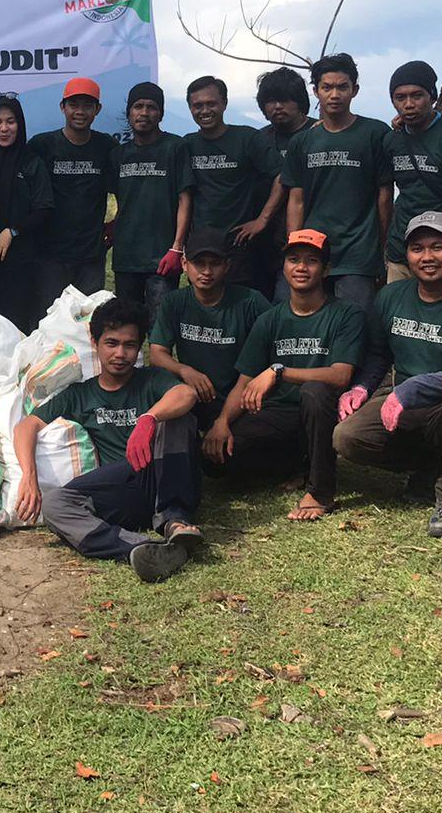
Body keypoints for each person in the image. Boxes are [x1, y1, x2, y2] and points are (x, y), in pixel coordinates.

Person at [334, 212, 442, 538]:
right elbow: (379, 355)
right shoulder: (390, 297)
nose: (427, 257)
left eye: (438, 247)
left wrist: (415, 386)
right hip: (408, 405)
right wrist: (360, 388)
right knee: (347, 437)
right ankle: (431, 468)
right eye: (417, 248)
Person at [14, 297, 202, 583]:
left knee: (179, 419)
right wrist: (29, 475)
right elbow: (27, 425)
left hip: (163, 472)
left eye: (129, 345)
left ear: (139, 348)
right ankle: (138, 548)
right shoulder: (80, 394)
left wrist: (148, 419)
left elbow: (186, 394)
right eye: (111, 343)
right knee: (55, 505)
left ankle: (175, 521)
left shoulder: (151, 380)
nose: (120, 354)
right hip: (121, 486)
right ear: (95, 342)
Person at [210, 230, 364, 519]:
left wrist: (279, 372)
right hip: (279, 416)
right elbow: (244, 381)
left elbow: (341, 375)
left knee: (314, 391)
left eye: (311, 261)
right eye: (294, 260)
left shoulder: (346, 314)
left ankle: (320, 491)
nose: (301, 268)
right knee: (217, 461)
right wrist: (222, 423)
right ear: (284, 267)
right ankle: (294, 464)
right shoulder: (271, 319)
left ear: (326, 269)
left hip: (322, 413)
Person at [281, 54, 391, 309]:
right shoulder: (303, 142)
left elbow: (384, 195)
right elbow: (296, 199)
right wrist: (295, 248)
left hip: (358, 254)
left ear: (355, 90)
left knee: (355, 322)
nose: (334, 95)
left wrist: (382, 245)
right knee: (308, 320)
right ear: (315, 91)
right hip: (313, 250)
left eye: (342, 87)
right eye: (327, 87)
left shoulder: (375, 133)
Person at [148, 226, 270, 436]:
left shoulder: (251, 301)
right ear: (185, 264)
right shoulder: (174, 302)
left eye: (214, 264)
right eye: (199, 263)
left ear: (227, 266)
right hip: (194, 394)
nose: (206, 271)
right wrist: (185, 370)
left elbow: (273, 345)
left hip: (241, 395)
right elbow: (157, 354)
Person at [184, 75, 283, 294]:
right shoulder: (187, 144)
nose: (204, 111)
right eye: (197, 105)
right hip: (201, 245)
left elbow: (282, 175)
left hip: (239, 244)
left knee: (240, 308)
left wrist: (262, 220)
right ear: (190, 108)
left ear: (224, 104)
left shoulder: (247, 138)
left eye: (211, 103)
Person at [108, 82, 195, 323]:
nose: (144, 113)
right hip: (126, 256)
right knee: (126, 323)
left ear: (161, 114)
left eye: (151, 107)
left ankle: (159, 363)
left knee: (160, 326)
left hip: (161, 257)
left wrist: (177, 248)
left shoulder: (175, 147)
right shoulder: (118, 155)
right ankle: (133, 364)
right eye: (138, 106)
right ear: (129, 112)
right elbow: (122, 199)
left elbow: (185, 198)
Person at [28, 77, 117, 313]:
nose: (80, 111)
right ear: (62, 107)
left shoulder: (106, 147)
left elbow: (127, 190)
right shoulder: (42, 145)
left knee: (87, 322)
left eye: (87, 105)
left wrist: (116, 224)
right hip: (49, 255)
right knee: (47, 321)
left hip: (90, 255)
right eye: (74, 104)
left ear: (97, 109)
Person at [0, 95, 54, 332]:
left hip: (20, 266)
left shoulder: (31, 162)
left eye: (11, 122)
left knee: (15, 330)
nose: (4, 129)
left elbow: (44, 209)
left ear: (20, 124)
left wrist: (11, 231)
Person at [383, 61, 442, 283]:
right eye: (400, 98)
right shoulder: (393, 139)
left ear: (432, 96)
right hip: (400, 247)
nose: (409, 104)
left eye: (417, 95)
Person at [250, 68, 316, 296]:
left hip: (307, 238)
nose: (277, 107)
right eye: (270, 101)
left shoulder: (319, 133)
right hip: (261, 244)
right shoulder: (258, 140)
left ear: (300, 102)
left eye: (285, 100)